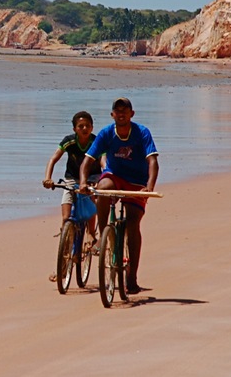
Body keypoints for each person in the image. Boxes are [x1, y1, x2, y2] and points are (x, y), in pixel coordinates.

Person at [79, 98, 159, 295]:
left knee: (133, 223)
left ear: (132, 114)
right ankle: (106, 233)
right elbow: (87, 161)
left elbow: (153, 162)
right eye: (117, 111)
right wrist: (82, 182)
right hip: (115, 177)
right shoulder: (107, 133)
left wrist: (148, 187)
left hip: (137, 182)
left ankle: (132, 278)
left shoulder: (142, 132)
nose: (121, 114)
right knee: (103, 187)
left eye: (125, 111)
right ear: (112, 114)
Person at [43, 111, 102, 282]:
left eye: (87, 126)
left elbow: (104, 161)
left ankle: (91, 233)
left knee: (91, 199)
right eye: (80, 126)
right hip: (71, 179)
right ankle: (61, 268)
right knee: (66, 220)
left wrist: (102, 178)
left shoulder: (95, 141)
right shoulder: (69, 141)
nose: (84, 129)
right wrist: (48, 178)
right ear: (74, 128)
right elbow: (54, 159)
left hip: (92, 178)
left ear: (92, 127)